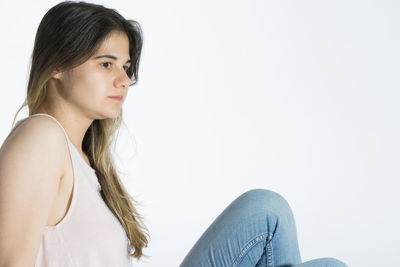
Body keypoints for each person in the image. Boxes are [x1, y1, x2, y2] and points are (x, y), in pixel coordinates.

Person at [0, 1, 348, 266]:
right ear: (57, 64)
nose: (123, 80)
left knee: (267, 211)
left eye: (126, 68)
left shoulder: (85, 162)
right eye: (106, 64)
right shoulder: (41, 137)